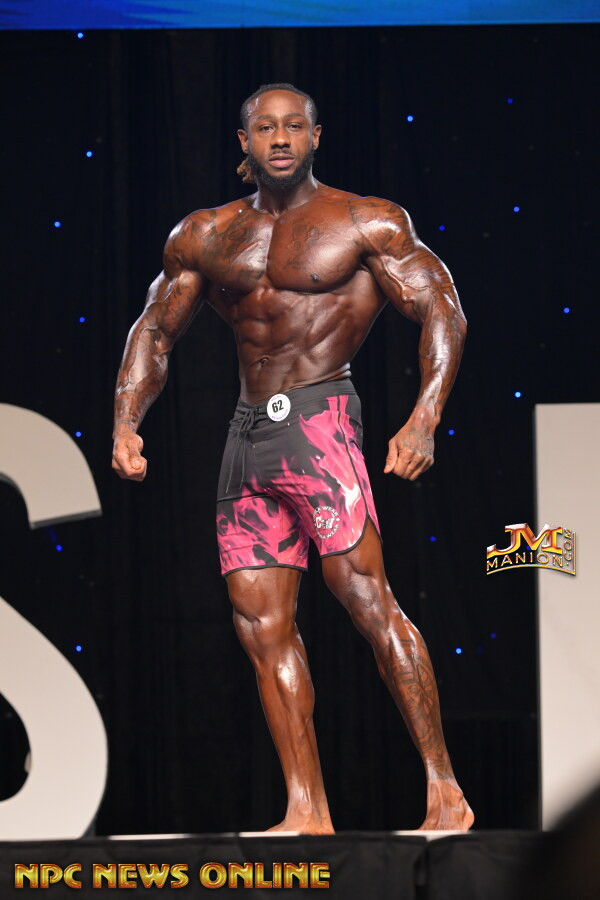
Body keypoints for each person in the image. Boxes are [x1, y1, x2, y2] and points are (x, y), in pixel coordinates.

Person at [112, 82, 473, 834]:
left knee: (367, 600)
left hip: (321, 424)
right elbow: (155, 330)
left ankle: (444, 789)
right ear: (243, 142)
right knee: (260, 625)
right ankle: (306, 808)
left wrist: (425, 417)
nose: (280, 138)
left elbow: (442, 305)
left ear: (315, 136)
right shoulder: (206, 234)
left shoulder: (365, 221)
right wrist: (125, 421)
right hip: (246, 437)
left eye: (294, 126)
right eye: (266, 128)